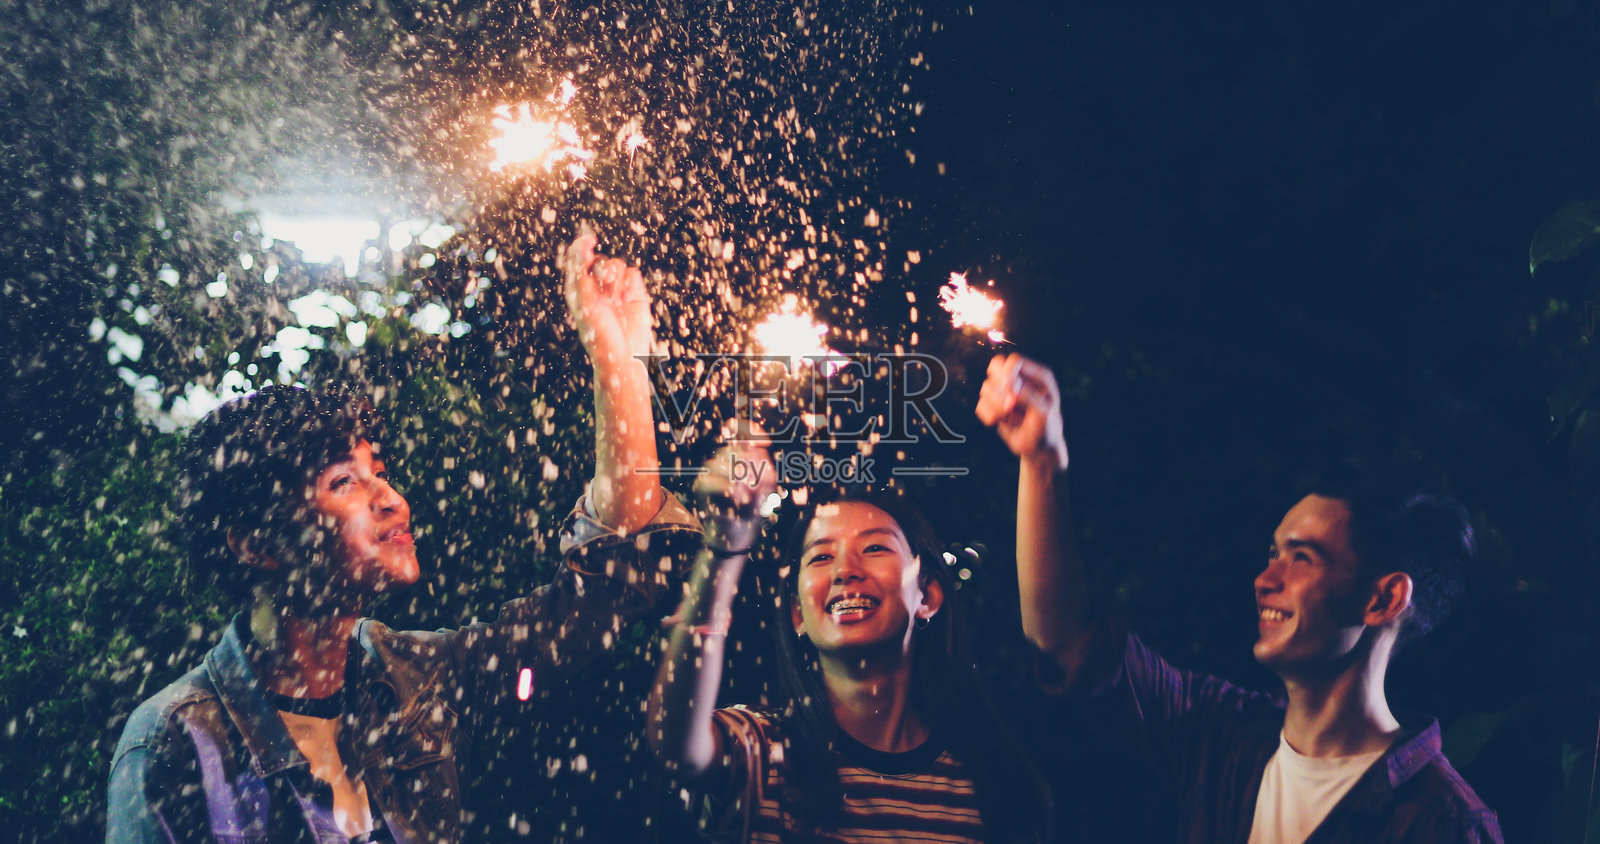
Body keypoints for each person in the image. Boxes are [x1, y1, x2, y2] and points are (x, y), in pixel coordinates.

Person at [105, 228, 700, 843]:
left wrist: (619, 370)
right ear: (254, 543)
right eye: (345, 481)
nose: (391, 499)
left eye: (381, 473)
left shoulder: (414, 682)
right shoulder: (179, 746)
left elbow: (608, 585)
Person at [976, 352, 1503, 844]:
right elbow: (1068, 648)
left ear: (1383, 600)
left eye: (1302, 558)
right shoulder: (1224, 737)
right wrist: (1043, 462)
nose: (1264, 578)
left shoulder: (1440, 821)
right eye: (1272, 552)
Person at [647, 444, 1051, 844]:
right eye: (821, 557)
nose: (844, 571)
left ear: (926, 595)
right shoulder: (760, 750)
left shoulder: (988, 789)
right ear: (797, 615)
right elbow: (676, 743)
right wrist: (724, 549)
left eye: (875, 547)